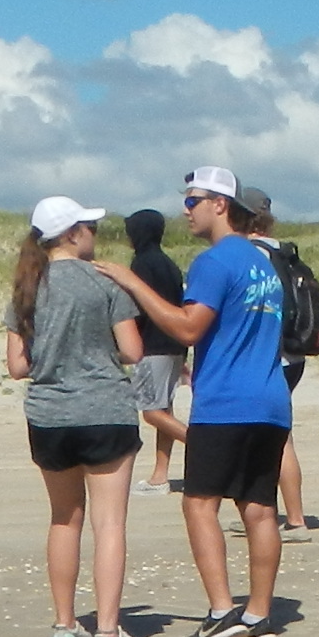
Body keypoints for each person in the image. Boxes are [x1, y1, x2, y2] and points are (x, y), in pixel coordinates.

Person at [95, 164, 286, 637]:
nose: (185, 209)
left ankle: (222, 610)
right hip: (269, 399)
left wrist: (132, 284)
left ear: (220, 204)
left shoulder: (216, 260)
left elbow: (186, 327)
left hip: (227, 402)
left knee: (200, 502)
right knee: (259, 507)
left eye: (193, 200)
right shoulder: (264, 261)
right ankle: (260, 614)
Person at [3, 196, 147, 637]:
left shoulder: (28, 285)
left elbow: (17, 366)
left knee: (64, 518)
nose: (94, 235)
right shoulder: (103, 281)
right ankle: (108, 632)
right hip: (104, 406)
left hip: (49, 413)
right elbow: (132, 351)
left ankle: (65, 626)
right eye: (89, 227)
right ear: (71, 234)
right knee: (110, 523)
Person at [241, 188, 317, 536]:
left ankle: (290, 516)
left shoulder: (249, 255)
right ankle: (280, 512)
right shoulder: (284, 253)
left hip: (266, 357)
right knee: (278, 434)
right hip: (295, 355)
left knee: (275, 438)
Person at [119, 208, 191, 493]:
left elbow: (138, 309)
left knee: (150, 411)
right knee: (164, 408)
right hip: (176, 344)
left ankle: (203, 445)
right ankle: (160, 475)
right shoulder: (169, 264)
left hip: (153, 345)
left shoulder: (142, 264)